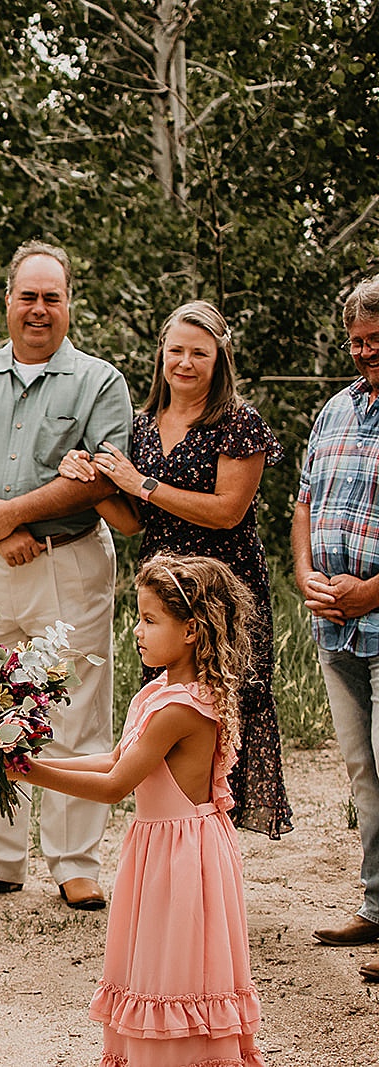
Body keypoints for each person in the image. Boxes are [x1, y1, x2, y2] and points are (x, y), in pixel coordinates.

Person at [0, 240, 132, 909]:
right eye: (28, 296)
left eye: (52, 297)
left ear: (69, 305)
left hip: (69, 564)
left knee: (74, 707)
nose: (39, 309)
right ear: (7, 301)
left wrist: (12, 514)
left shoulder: (100, 382)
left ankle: (74, 861)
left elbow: (100, 474)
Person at [7, 553, 265, 1067]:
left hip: (183, 855)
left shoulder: (179, 709)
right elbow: (117, 758)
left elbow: (115, 786)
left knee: (180, 968)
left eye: (150, 620)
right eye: (137, 617)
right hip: (160, 847)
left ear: (192, 629)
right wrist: (32, 756)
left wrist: (28, 773)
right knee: (155, 964)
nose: (136, 631)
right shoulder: (157, 692)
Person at [56, 300, 294, 838]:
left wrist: (141, 483)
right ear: (161, 353)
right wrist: (90, 485)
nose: (185, 362)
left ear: (220, 359)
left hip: (224, 590)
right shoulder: (141, 426)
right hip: (163, 595)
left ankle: (216, 847)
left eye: (199, 353)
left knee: (227, 713)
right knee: (165, 710)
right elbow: (133, 522)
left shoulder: (238, 422)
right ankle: (175, 835)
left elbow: (227, 510)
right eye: (176, 350)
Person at [294, 275, 379, 978]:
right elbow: (304, 501)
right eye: (356, 340)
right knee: (363, 770)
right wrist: (303, 573)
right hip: (337, 630)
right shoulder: (336, 410)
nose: (365, 351)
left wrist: (371, 590)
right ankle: (377, 906)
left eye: (377, 340)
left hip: (378, 616)